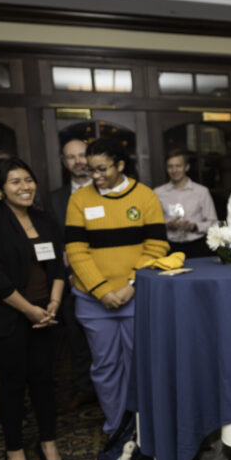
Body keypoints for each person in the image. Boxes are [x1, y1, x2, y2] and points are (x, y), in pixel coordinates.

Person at [0, 157, 67, 460]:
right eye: (15, 181)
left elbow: (57, 267)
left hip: (45, 312)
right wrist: (29, 310)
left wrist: (53, 303)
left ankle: (48, 442)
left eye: (28, 179)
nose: (25, 187)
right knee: (13, 383)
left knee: (43, 379)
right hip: (5, 316)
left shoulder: (43, 219)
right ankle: (14, 449)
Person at [65, 138, 169, 436]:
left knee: (141, 366)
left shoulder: (145, 196)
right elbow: (77, 251)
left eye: (102, 169)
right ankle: (116, 429)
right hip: (94, 302)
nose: (95, 176)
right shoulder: (80, 200)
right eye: (90, 169)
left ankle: (144, 428)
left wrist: (131, 285)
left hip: (136, 296)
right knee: (106, 367)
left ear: (120, 165)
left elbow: (156, 245)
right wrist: (102, 291)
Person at [46, 138, 96, 413]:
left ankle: (117, 389)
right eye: (71, 157)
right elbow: (53, 240)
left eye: (82, 155)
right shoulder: (55, 199)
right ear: (64, 163)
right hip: (72, 280)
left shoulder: (106, 191)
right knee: (77, 339)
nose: (78, 161)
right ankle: (85, 389)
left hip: (109, 278)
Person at [154, 149, 218, 259]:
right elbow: (153, 225)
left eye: (178, 166)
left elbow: (214, 223)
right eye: (170, 166)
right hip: (169, 247)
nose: (174, 170)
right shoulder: (158, 193)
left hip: (197, 247)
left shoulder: (201, 191)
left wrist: (194, 226)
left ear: (186, 167)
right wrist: (168, 225)